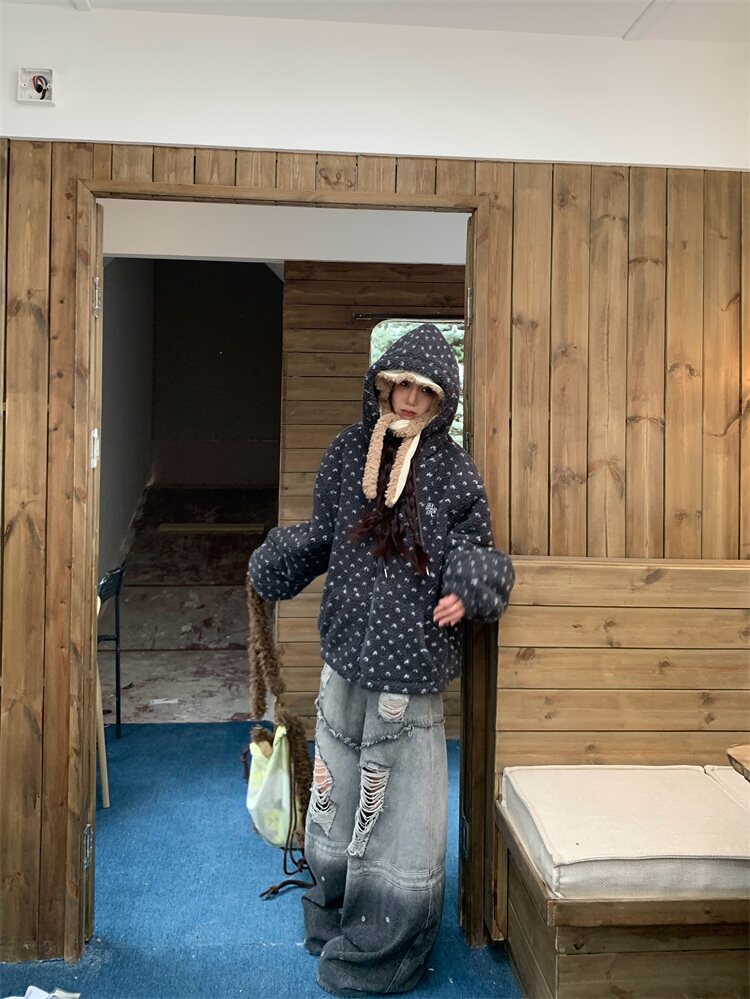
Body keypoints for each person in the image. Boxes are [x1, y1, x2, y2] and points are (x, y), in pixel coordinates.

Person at [249, 323, 515, 996]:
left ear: (441, 399)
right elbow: (325, 534)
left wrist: (467, 587)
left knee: (396, 812)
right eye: (400, 385)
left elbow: (476, 545)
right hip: (344, 655)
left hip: (410, 667)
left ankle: (387, 941)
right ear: (383, 385)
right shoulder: (347, 452)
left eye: (424, 390)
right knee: (336, 794)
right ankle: (335, 905)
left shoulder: (453, 470)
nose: (409, 398)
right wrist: (273, 563)